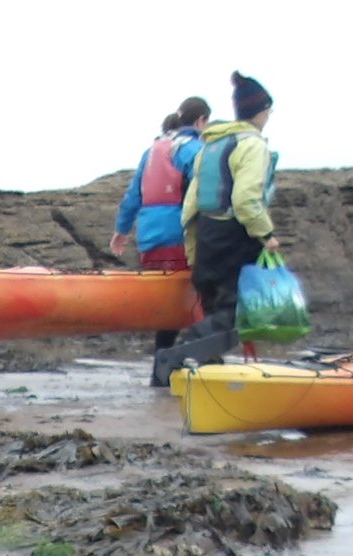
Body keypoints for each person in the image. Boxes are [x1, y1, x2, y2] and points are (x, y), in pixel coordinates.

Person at [159, 72, 279, 379]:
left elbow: (191, 204)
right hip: (233, 239)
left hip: (208, 237)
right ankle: (171, 359)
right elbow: (246, 200)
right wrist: (266, 234)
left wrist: (194, 248)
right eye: (269, 110)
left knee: (214, 312)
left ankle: (201, 379)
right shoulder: (252, 146)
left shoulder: (211, 146)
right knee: (235, 316)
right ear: (261, 111)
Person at [107, 95, 207, 383]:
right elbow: (207, 187)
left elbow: (133, 196)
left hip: (150, 239)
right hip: (179, 236)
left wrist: (121, 230)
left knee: (168, 308)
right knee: (195, 302)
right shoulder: (192, 148)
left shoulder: (151, 151)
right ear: (200, 120)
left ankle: (159, 375)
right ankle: (198, 370)